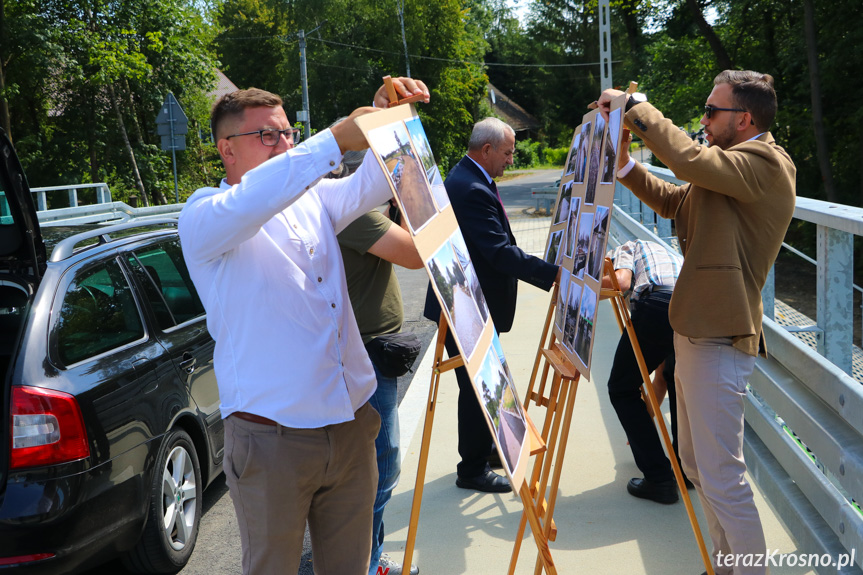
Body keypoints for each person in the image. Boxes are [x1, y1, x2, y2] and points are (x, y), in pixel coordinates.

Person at [178, 78, 430, 575]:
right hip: (273, 439)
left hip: (350, 422)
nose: (286, 144)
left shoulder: (312, 199)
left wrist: (388, 121)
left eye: (289, 133)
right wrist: (337, 137)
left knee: (350, 566)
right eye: (268, 136)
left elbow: (376, 184)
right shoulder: (203, 215)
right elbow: (254, 201)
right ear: (226, 150)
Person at [597, 70, 796, 575]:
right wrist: (623, 166)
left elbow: (686, 158)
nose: (703, 120)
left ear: (745, 118)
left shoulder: (767, 163)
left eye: (712, 112)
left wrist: (636, 108)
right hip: (695, 335)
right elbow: (673, 200)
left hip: (720, 338)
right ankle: (726, 565)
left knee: (722, 477)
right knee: (696, 467)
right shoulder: (727, 169)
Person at [423, 117, 562, 493]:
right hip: (465, 303)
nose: (510, 160)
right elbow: (499, 252)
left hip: (468, 300)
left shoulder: (470, 178)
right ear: (486, 150)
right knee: (475, 388)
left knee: (482, 383)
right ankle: (471, 470)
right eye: (507, 152)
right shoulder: (470, 188)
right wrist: (554, 275)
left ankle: (486, 449)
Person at [332, 151, 422, 575]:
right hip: (366, 353)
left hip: (370, 348)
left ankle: (369, 558)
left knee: (372, 466)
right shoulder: (356, 213)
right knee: (381, 466)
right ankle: (364, 565)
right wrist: (415, 199)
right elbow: (416, 255)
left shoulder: (359, 210)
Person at [601, 239, 684, 504]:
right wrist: (641, 424)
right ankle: (686, 472)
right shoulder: (666, 254)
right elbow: (658, 379)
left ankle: (659, 480)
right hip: (692, 306)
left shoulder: (624, 249)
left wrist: (572, 285)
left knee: (621, 388)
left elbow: (621, 282)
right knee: (675, 381)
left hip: (657, 304)